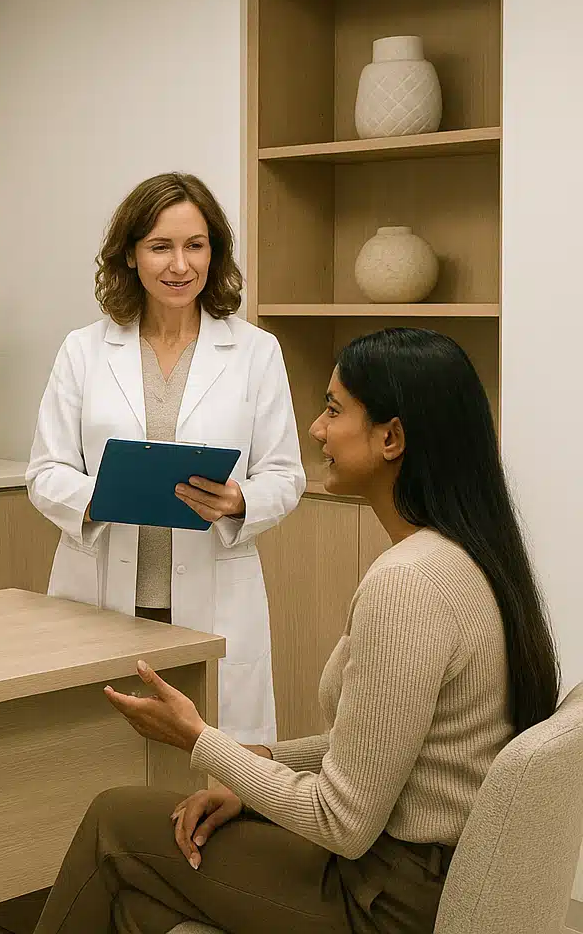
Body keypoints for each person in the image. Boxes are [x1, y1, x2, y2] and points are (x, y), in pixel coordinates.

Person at [32, 327, 562, 934]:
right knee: (139, 907)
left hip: (384, 900)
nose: (316, 428)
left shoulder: (409, 585)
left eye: (334, 410)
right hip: (414, 872)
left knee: (114, 821)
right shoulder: (467, 557)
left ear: (392, 438)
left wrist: (201, 740)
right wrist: (256, 767)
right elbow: (378, 751)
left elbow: (343, 820)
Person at [26, 172, 305, 743]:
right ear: (130, 255)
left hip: (213, 602)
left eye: (195, 246)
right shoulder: (83, 351)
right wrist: (103, 496)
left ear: (214, 251)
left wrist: (238, 500)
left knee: (211, 776)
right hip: (102, 597)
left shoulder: (255, 352)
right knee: (98, 765)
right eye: (160, 247)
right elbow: (46, 471)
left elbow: (284, 474)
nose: (180, 265)